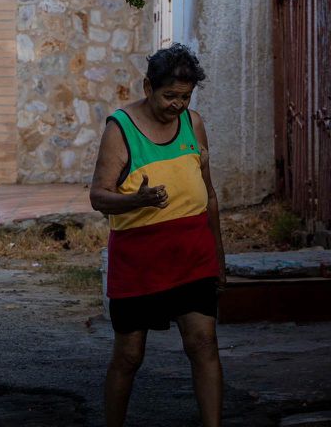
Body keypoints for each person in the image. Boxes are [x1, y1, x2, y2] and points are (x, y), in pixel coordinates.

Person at [89, 44, 225, 427]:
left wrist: (220, 261)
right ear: (148, 87)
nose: (177, 105)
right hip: (139, 264)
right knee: (129, 355)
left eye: (185, 97)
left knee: (203, 344)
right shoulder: (121, 128)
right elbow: (99, 196)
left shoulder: (194, 124)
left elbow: (209, 196)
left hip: (192, 257)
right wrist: (137, 200)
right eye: (169, 96)